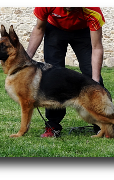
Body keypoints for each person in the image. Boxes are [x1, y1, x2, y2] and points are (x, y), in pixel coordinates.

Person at [27, 7, 106, 137]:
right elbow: (39, 29)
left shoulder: (92, 11)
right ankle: (53, 125)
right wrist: (28, 59)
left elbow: (96, 47)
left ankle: (102, 124)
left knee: (91, 74)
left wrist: (95, 80)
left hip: (83, 32)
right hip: (55, 30)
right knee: (53, 78)